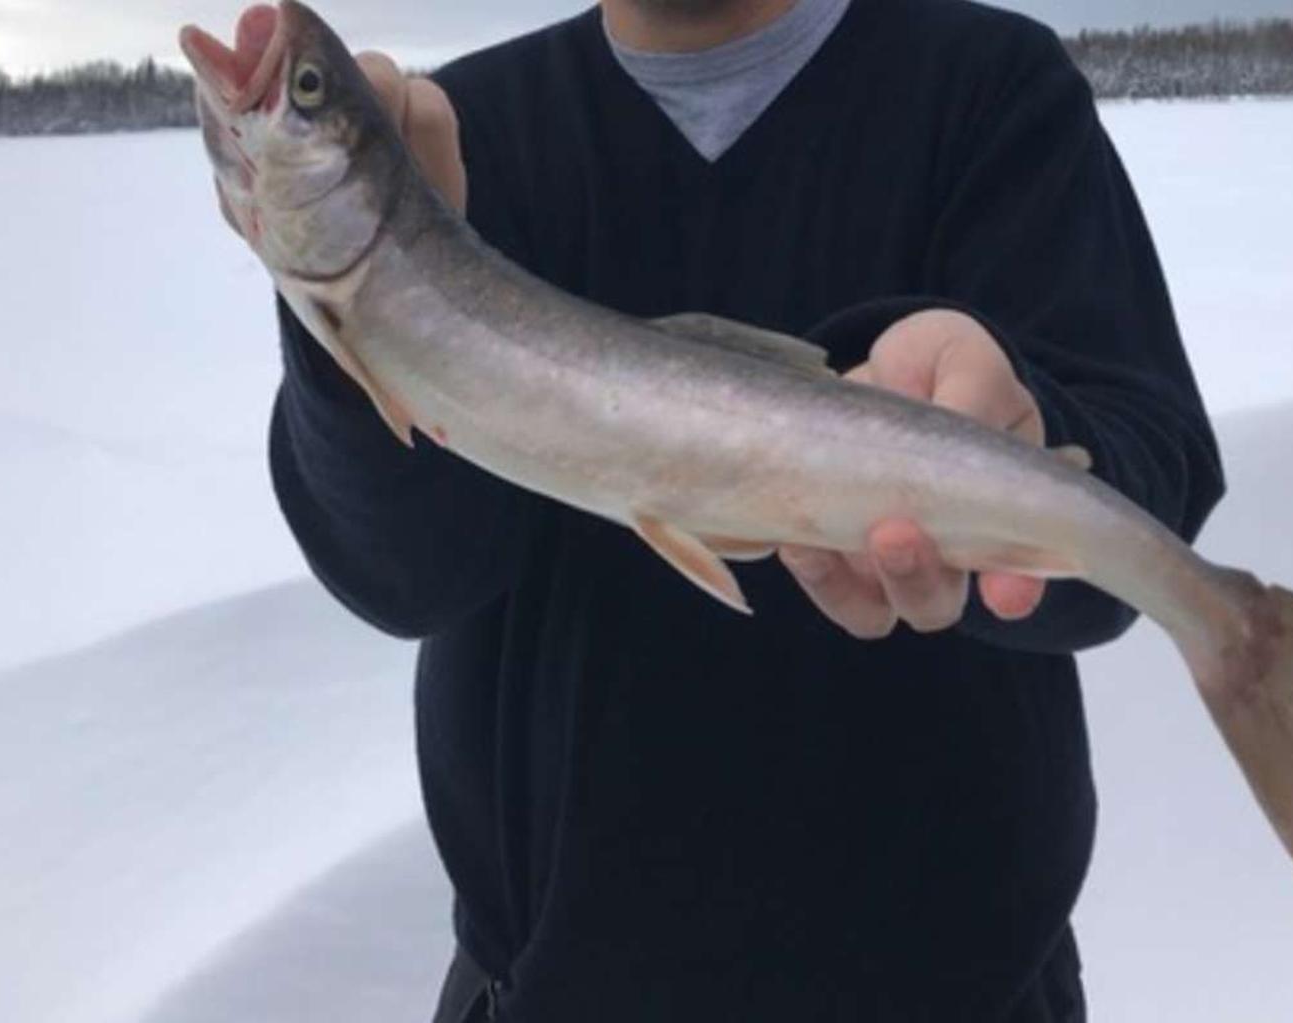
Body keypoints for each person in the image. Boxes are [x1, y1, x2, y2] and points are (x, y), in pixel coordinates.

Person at [262, 0, 1224, 1018]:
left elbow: (1144, 467)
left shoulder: (990, 86)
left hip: (957, 990)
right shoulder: (457, 133)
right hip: (553, 986)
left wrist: (1018, 429)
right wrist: (362, 319)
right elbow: (403, 575)